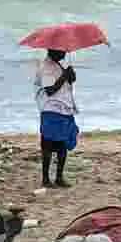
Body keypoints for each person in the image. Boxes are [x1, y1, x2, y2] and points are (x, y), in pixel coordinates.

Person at [35, 48, 79, 188]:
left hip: (64, 109)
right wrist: (64, 76)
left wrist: (70, 76)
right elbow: (49, 90)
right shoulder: (45, 67)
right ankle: (46, 179)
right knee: (47, 145)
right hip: (51, 109)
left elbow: (66, 84)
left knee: (62, 145)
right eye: (61, 51)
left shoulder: (58, 65)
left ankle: (59, 177)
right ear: (52, 50)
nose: (64, 53)